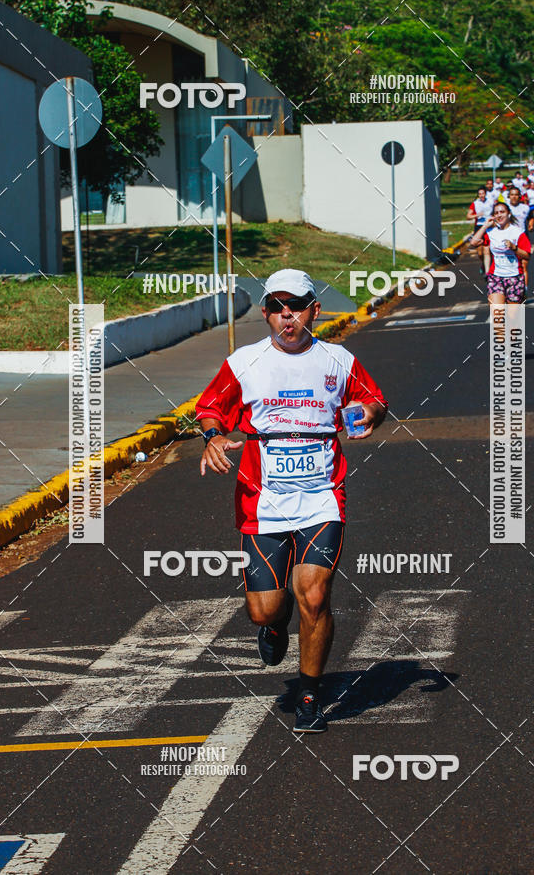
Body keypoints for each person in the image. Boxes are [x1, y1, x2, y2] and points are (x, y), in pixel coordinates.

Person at [196, 269, 388, 734]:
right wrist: (213, 437)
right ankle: (275, 625)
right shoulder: (245, 362)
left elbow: (374, 401)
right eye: (277, 307)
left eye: (297, 306)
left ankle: (308, 694)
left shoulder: (338, 360)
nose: (287, 316)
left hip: (322, 498)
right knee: (263, 608)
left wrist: (369, 413)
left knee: (315, 596)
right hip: (262, 501)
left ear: (314, 311)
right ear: (265, 313)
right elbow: (211, 409)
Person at [470, 201, 530, 305]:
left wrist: (514, 248)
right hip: (496, 276)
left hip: (515, 276)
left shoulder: (518, 232)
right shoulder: (491, 232)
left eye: (502, 212)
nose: (499, 215)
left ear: (509, 214)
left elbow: (527, 256)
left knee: (513, 315)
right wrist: (485, 226)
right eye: (496, 213)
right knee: (497, 313)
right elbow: (473, 242)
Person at [467, 187, 494, 274]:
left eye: (483, 193)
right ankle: (484, 264)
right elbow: (468, 216)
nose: (481, 195)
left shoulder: (491, 202)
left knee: (489, 249)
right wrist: (477, 215)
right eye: (480, 194)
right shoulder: (475, 203)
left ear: (485, 194)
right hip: (479, 227)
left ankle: (490, 267)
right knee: (480, 253)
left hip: (489, 227)